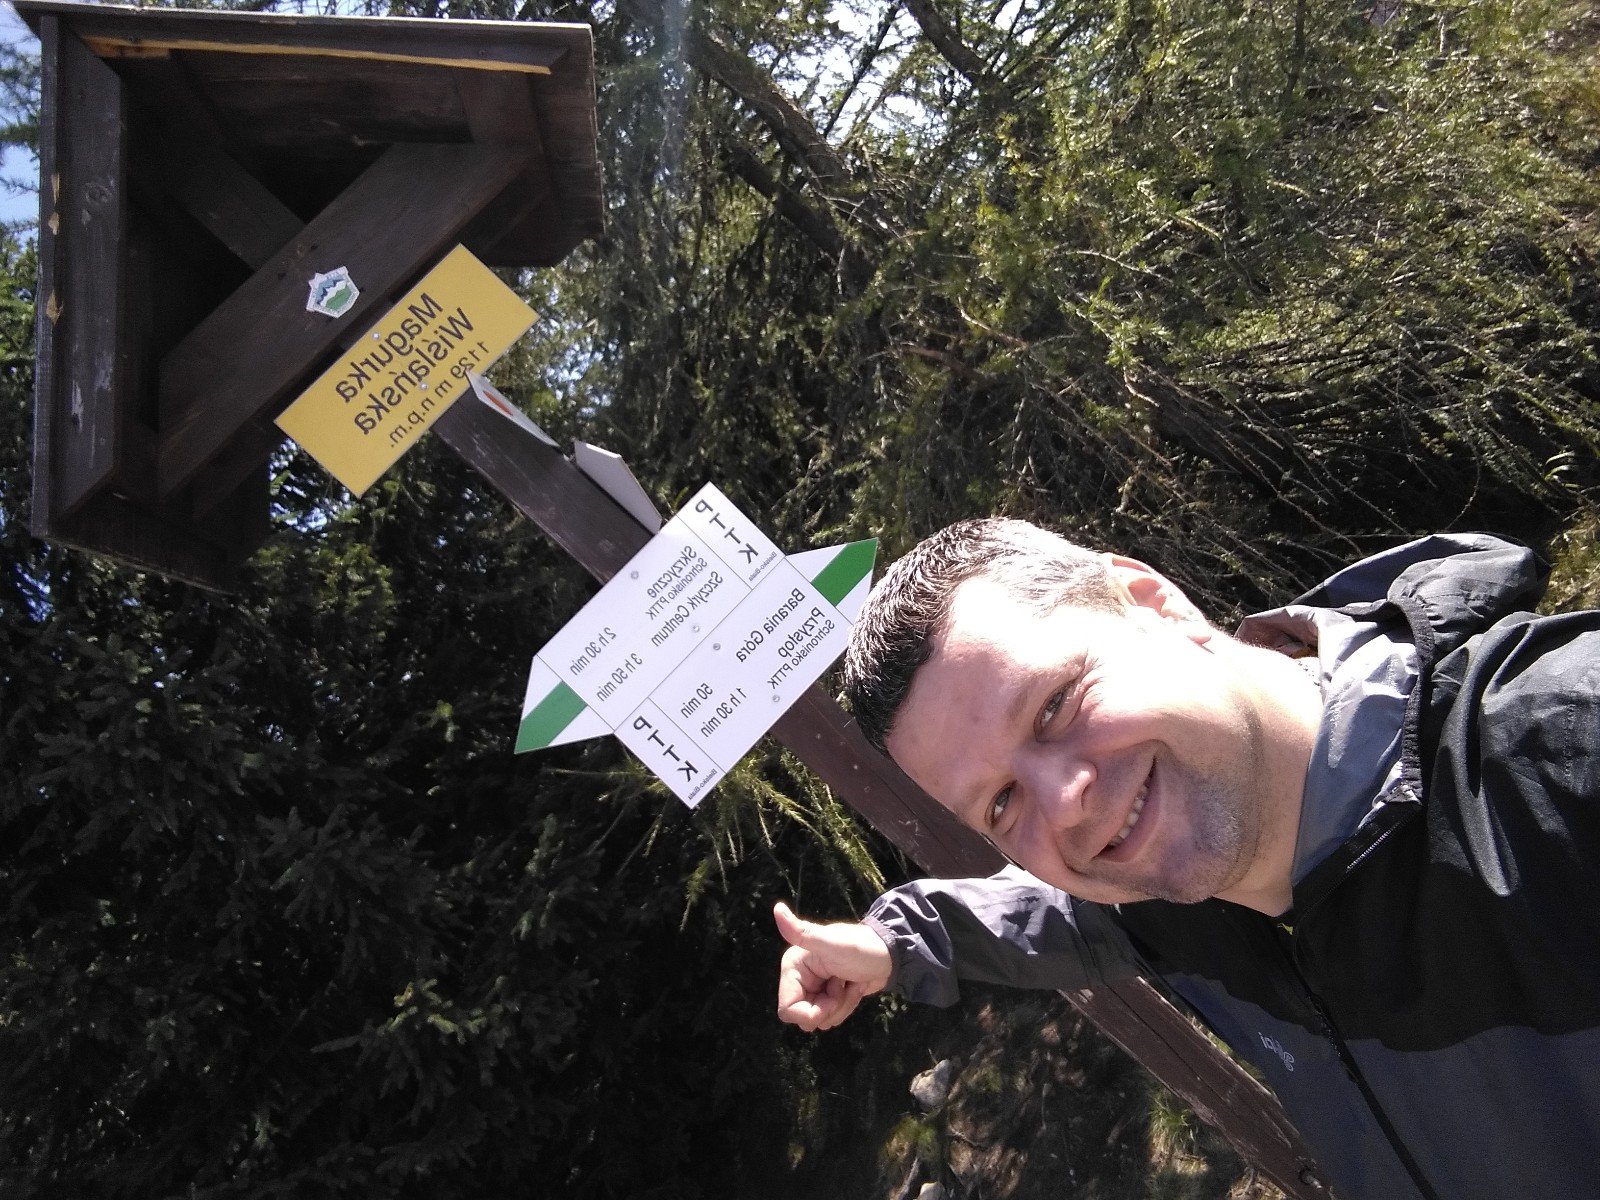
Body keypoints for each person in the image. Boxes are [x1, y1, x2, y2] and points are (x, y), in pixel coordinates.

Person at [772, 519, 1600, 1200]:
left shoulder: (1560, 759)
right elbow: (1050, 916)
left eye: (1055, 706)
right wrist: (894, 942)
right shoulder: (1170, 904)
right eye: (1001, 804)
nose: (1065, 804)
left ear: (1154, 604)